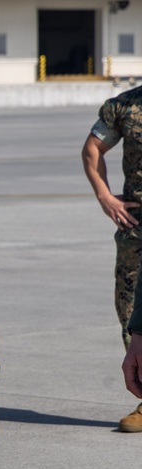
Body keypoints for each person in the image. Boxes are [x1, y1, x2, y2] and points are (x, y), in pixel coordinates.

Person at [82, 85, 142, 432]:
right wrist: (105, 197)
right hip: (137, 229)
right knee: (133, 313)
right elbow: (93, 149)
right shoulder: (125, 106)